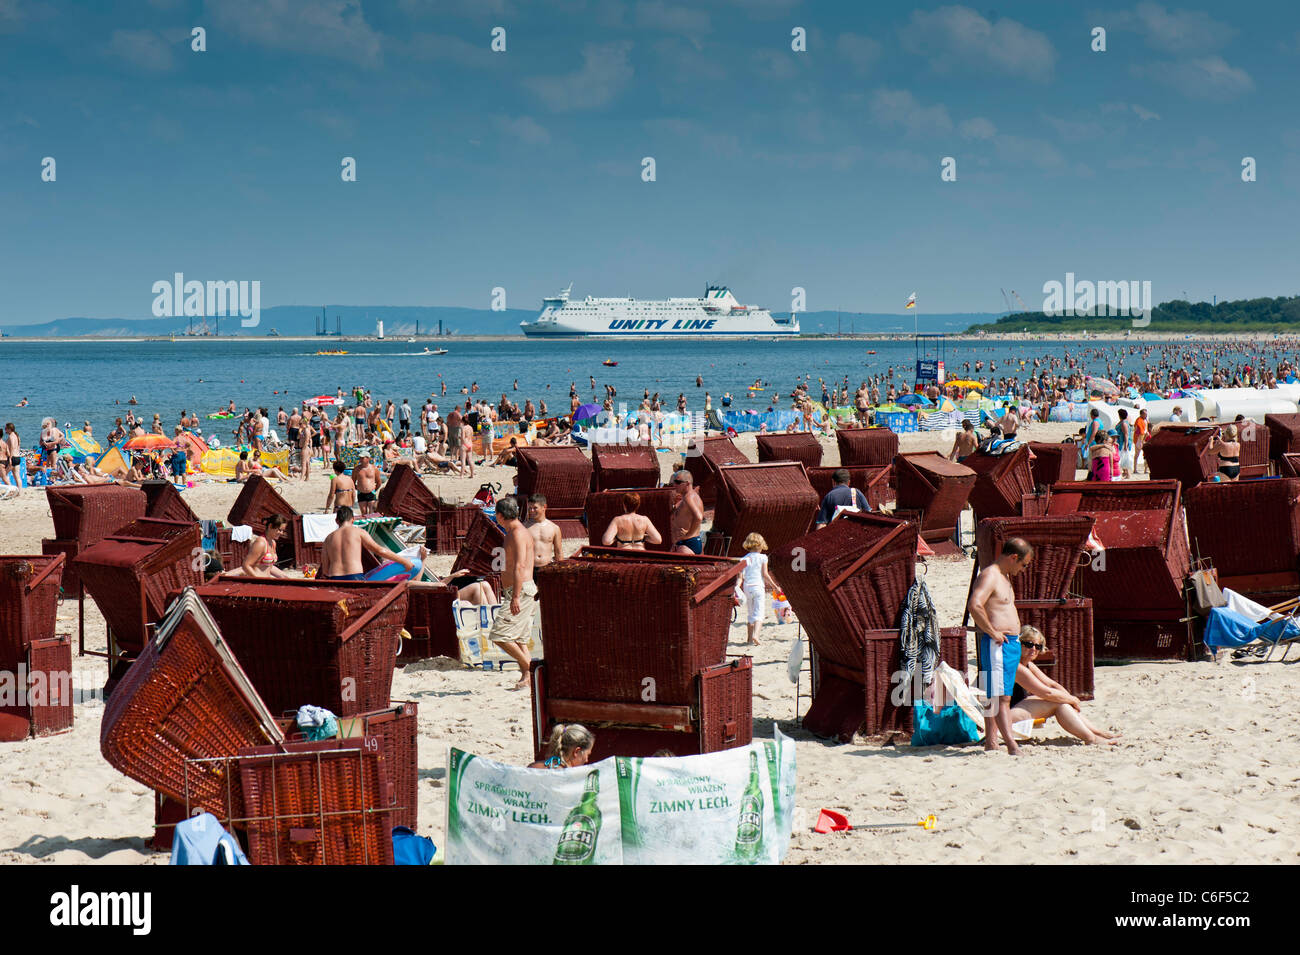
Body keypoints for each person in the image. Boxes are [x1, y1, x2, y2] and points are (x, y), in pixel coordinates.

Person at [966, 537, 1034, 755]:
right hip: (998, 643)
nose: (1023, 570)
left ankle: (992, 742)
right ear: (1014, 557)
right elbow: (975, 605)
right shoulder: (990, 575)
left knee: (993, 694)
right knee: (1001, 697)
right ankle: (1011, 745)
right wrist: (992, 631)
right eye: (1023, 564)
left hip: (1009, 643)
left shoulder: (1003, 576)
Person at [1011, 626, 1120, 745]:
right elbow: (1046, 692)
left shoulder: (1027, 664)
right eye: (1028, 644)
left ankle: (1096, 733)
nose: (1033, 649)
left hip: (1014, 709)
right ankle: (1091, 738)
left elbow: (1052, 685)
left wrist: (1068, 699)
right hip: (1005, 716)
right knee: (1058, 703)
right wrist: (1071, 699)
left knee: (1061, 701)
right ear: (1019, 644)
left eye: (1038, 646)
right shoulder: (1016, 667)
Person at [483, 497, 537, 690]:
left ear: (499, 515)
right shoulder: (515, 531)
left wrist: (514, 596)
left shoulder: (517, 533)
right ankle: (527, 678)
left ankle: (532, 671)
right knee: (520, 639)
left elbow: (520, 566)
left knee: (499, 635)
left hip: (519, 590)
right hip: (519, 589)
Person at [319, 505, 421, 581]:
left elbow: (325, 569)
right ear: (353, 520)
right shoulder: (358, 532)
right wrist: (404, 561)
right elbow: (379, 550)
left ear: (337, 521)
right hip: (355, 577)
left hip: (335, 578)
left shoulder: (328, 539)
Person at [738, 532, 779, 646]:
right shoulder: (763, 558)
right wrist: (775, 586)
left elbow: (740, 578)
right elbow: (765, 574)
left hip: (747, 587)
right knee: (759, 613)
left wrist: (737, 588)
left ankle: (749, 639)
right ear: (761, 545)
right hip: (758, 587)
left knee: (750, 613)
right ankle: (756, 635)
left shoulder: (744, 559)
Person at [238, 514, 293, 579]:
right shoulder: (261, 543)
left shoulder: (273, 543)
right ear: (270, 526)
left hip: (266, 583)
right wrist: (258, 580)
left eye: (283, 531)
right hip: (258, 584)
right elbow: (246, 565)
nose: (281, 533)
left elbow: (268, 566)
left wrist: (284, 577)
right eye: (279, 530)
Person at [528, 721, 594, 767]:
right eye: (587, 755)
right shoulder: (574, 781)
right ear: (576, 751)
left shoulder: (533, 768)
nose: (586, 760)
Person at [668, 470, 704, 554]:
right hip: (686, 542)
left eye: (678, 482)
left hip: (687, 543)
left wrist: (688, 535)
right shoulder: (687, 497)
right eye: (674, 482)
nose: (674, 485)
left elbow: (698, 517)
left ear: (687, 483)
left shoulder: (689, 497)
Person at [525, 494, 563, 567]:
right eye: (530, 508)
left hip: (547, 568)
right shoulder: (524, 527)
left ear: (544, 507)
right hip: (529, 569)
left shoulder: (554, 528)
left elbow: (558, 552)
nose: (531, 511)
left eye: (535, 508)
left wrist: (560, 570)